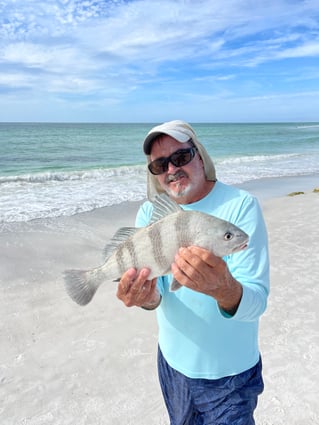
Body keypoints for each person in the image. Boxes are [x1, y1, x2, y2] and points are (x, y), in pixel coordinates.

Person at [117, 120, 269, 425]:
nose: (171, 169)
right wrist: (144, 298)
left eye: (180, 157)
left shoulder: (241, 207)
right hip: (172, 365)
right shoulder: (149, 214)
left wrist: (224, 288)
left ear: (199, 155)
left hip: (230, 378)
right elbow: (156, 295)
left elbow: (258, 301)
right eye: (159, 165)